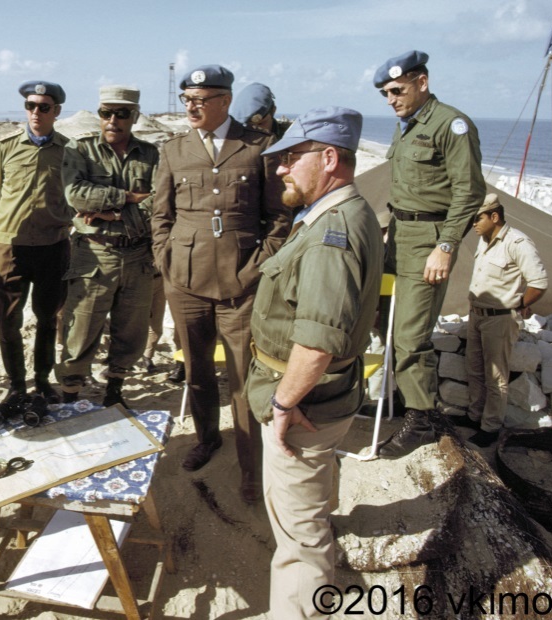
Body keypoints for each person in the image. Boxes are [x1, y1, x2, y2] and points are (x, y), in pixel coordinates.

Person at [245, 106, 382, 619]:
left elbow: (317, 342)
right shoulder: (343, 212)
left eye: (289, 157)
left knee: (300, 543)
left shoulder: (332, 232)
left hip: (303, 406)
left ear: (328, 158)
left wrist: (283, 404)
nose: (279, 168)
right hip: (322, 398)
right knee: (309, 513)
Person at [151, 64, 290, 503]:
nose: (191, 107)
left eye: (200, 100)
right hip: (186, 282)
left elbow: (280, 217)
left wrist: (258, 267)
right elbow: (161, 214)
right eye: (186, 100)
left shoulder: (258, 147)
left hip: (241, 284)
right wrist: (166, 261)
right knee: (197, 372)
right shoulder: (174, 150)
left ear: (225, 101)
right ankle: (207, 438)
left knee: (243, 379)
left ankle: (251, 467)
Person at [372, 50, 487, 459]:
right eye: (385, 93)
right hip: (400, 233)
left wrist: (446, 246)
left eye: (396, 90)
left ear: (422, 81)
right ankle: (405, 400)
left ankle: (421, 419)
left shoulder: (451, 125)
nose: (390, 99)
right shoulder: (406, 126)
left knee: (410, 335)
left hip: (429, 242)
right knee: (381, 318)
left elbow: (470, 191)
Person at [57, 85, 158, 406]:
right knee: (81, 328)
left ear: (134, 117)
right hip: (94, 255)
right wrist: (128, 198)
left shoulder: (151, 154)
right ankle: (71, 394)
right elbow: (76, 195)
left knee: (131, 331)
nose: (113, 120)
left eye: (122, 114)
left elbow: (159, 202)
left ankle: (115, 390)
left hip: (139, 255)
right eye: (106, 113)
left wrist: (108, 213)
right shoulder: (80, 150)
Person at [0, 81, 72, 409]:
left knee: (48, 317)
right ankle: (16, 385)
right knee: (7, 320)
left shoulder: (69, 150)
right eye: (30, 106)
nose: (36, 113)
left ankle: (41, 380)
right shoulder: (4, 147)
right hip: (10, 247)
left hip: (53, 247)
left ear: (56, 111)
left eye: (44, 107)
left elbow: (73, 195)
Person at [457, 193, 547, 447]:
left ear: (494, 216)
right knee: (474, 368)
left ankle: (491, 426)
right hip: (477, 314)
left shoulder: (518, 243)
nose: (473, 224)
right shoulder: (484, 240)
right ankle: (475, 416)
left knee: (496, 376)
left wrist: (519, 304)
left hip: (500, 319)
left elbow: (539, 283)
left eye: (478, 218)